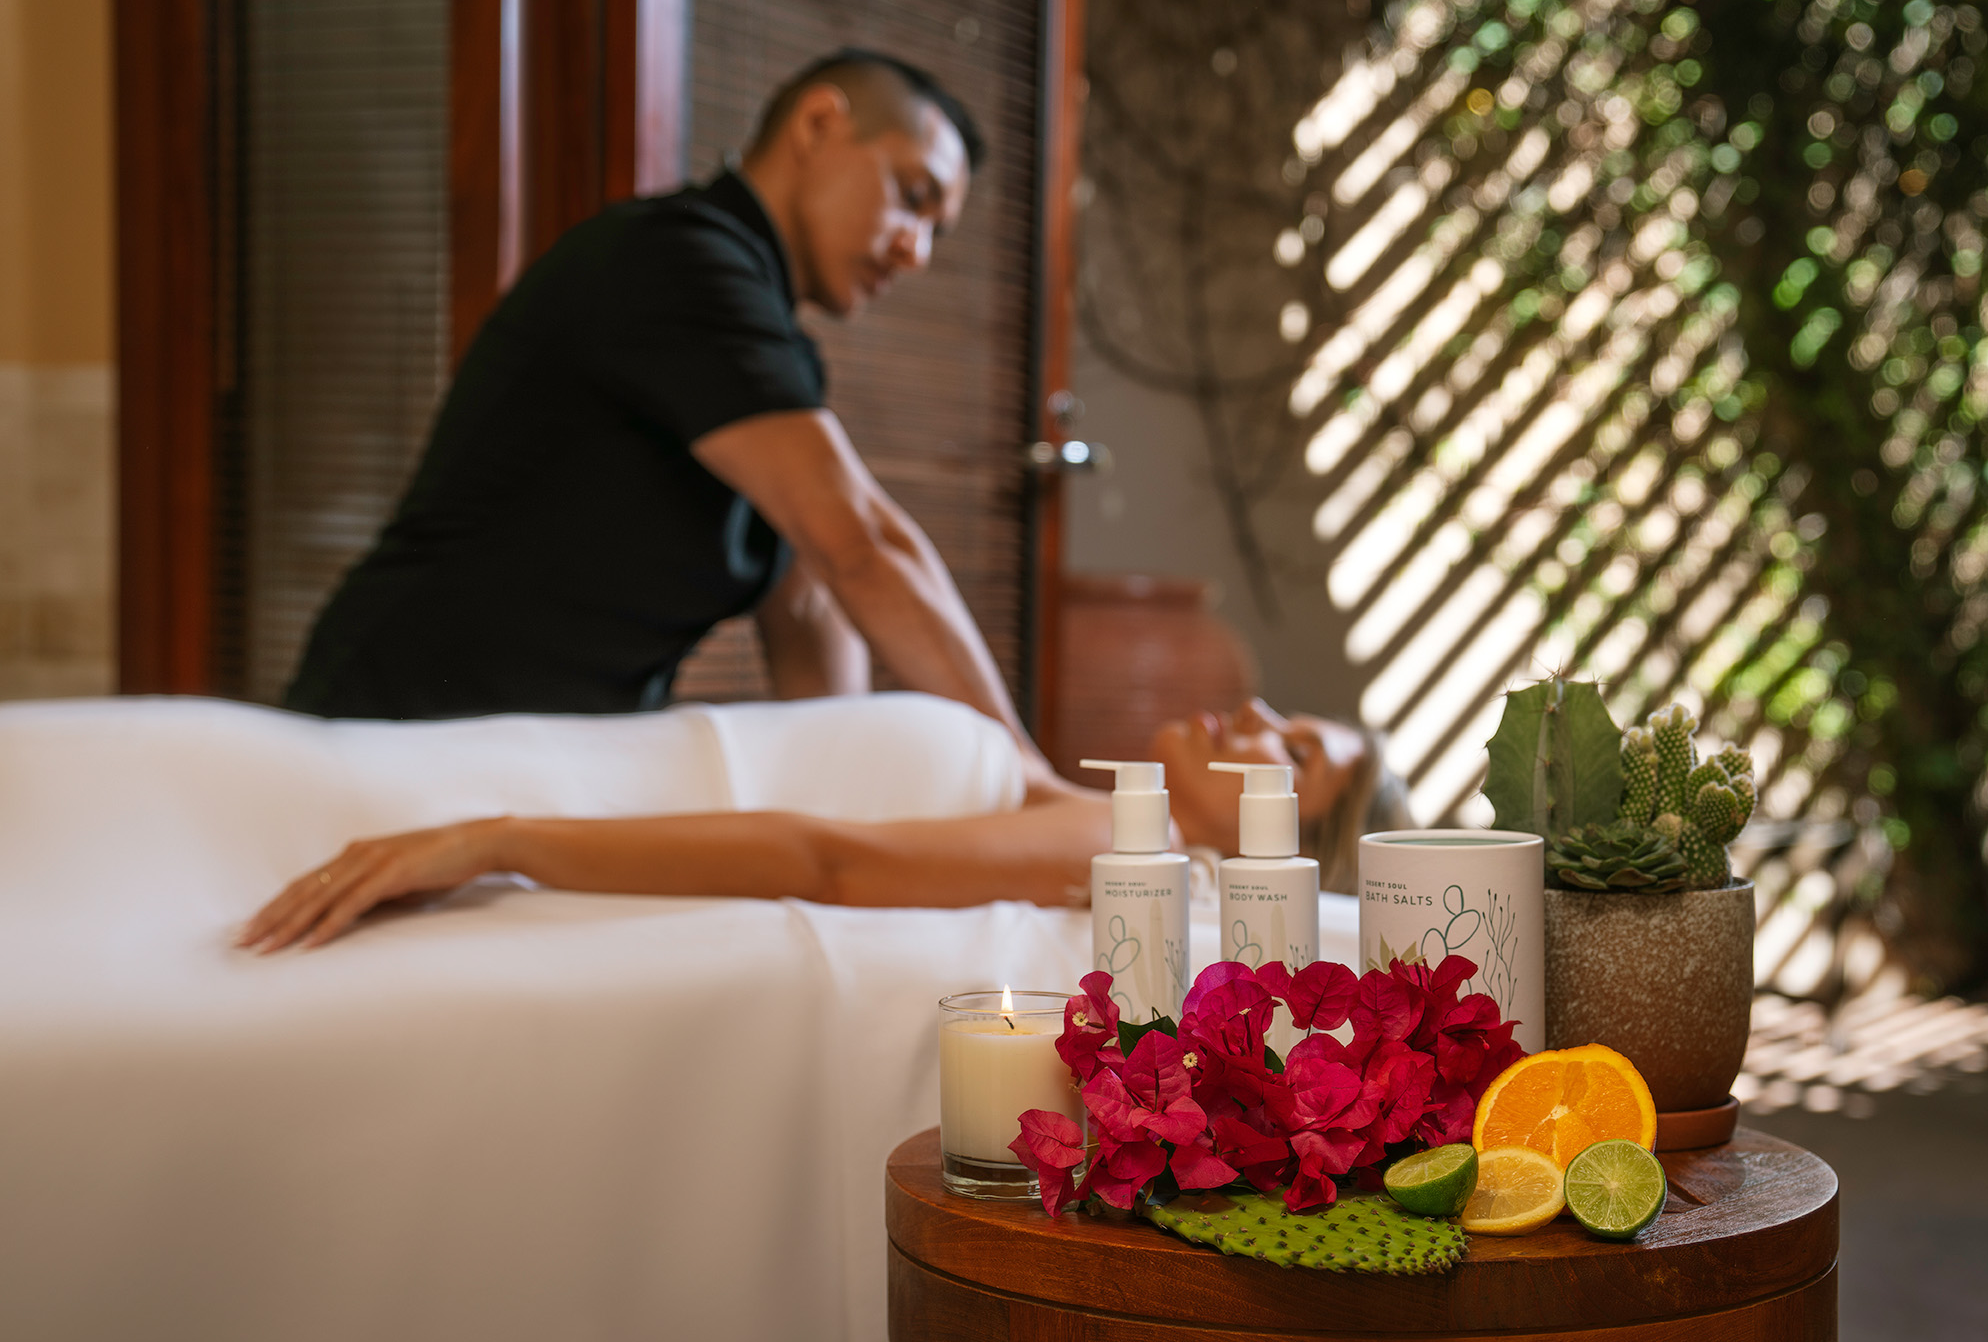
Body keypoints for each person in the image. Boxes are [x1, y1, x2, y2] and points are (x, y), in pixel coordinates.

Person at [283, 50, 1048, 773]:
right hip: (398, 727)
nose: (916, 251)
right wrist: (1025, 776)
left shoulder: (776, 353)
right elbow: (860, 544)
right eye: (912, 197)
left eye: (936, 234)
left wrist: (842, 808)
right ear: (819, 124)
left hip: (546, 761)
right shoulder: (673, 263)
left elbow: (813, 600)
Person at [240, 698, 1414, 953]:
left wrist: (496, 841)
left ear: (1285, 841)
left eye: (1295, 750)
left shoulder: (1130, 855)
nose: (1258, 715)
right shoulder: (1076, 798)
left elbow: (834, 861)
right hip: (522, 764)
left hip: (526, 822)